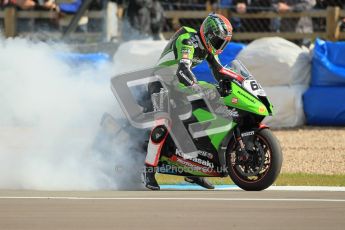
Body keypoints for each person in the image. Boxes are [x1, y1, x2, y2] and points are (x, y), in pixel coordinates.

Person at [143, 13, 233, 190]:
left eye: (223, 43)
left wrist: (237, 81)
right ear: (208, 34)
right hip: (161, 82)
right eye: (218, 41)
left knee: (197, 120)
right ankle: (148, 171)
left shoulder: (208, 49)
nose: (219, 46)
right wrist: (196, 86)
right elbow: (183, 69)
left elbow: (219, 70)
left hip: (177, 86)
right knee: (163, 123)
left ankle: (192, 171)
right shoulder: (188, 40)